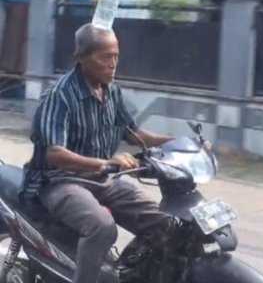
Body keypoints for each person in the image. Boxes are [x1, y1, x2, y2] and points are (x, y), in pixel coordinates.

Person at [21, 23, 209, 283]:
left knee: (164, 224)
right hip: (59, 181)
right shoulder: (60, 96)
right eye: (105, 57)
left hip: (103, 179)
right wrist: (107, 162)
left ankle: (124, 274)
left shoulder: (112, 92)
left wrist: (182, 142)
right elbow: (55, 154)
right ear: (82, 57)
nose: (113, 64)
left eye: (116, 56)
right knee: (101, 227)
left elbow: (133, 134)